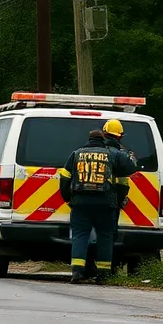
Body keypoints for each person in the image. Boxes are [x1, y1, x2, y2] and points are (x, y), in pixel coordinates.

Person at [59, 119, 137, 284]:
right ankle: (103, 274)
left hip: (80, 202)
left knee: (80, 235)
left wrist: (69, 199)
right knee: (105, 237)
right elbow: (126, 176)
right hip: (105, 203)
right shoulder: (113, 154)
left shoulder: (77, 153)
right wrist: (118, 201)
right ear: (103, 139)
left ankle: (77, 272)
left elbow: (65, 178)